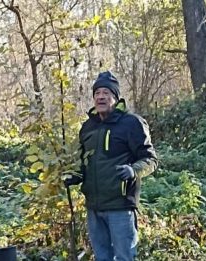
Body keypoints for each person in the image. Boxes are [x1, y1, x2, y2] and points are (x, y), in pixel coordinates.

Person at [64, 71, 158, 261]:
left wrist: (133, 170)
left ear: (115, 97)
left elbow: (150, 159)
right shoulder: (87, 127)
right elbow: (83, 161)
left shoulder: (131, 123)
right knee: (102, 257)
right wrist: (75, 175)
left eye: (106, 92)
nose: (100, 97)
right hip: (94, 207)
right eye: (97, 93)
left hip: (120, 206)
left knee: (124, 257)